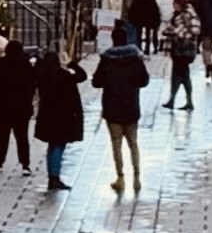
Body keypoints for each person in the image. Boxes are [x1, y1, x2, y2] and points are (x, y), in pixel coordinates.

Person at [92, 27, 150, 193]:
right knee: (133, 143)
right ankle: (137, 176)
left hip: (112, 107)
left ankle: (121, 177)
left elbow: (96, 82)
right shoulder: (135, 59)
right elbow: (144, 81)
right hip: (131, 105)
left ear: (113, 39)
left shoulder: (107, 59)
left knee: (116, 144)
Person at [30, 46, 86, 194]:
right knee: (58, 146)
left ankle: (52, 176)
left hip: (47, 116)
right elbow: (82, 76)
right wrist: (70, 63)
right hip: (62, 116)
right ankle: (54, 177)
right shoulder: (64, 76)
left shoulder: (42, 77)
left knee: (52, 146)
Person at [0, 34, 36, 171]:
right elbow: (35, 81)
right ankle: (25, 164)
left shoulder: (0, 64)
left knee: (2, 134)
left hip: (3, 105)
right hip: (22, 106)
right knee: (22, 136)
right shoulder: (27, 65)